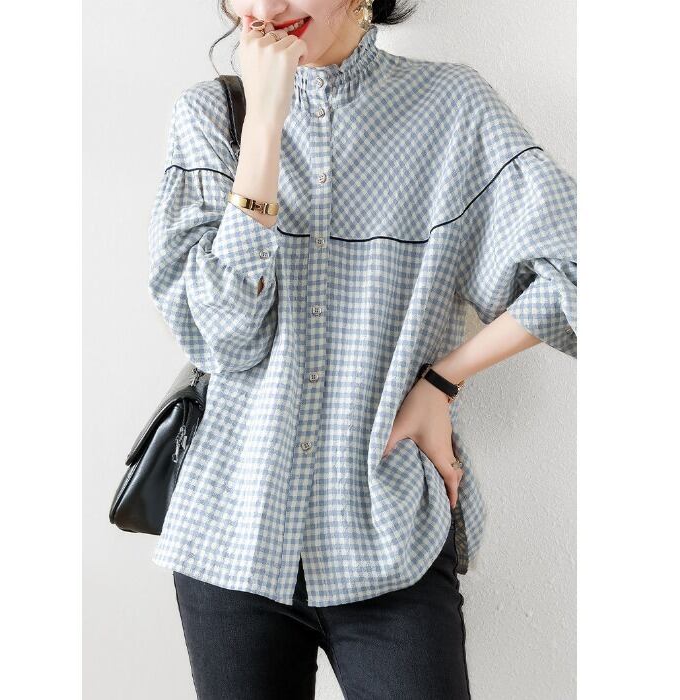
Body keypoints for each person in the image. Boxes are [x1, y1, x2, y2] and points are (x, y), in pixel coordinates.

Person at [146, 1, 577, 697]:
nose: (265, 9)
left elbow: (583, 270)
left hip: (387, 537)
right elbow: (222, 334)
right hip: (230, 538)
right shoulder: (210, 117)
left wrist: (444, 379)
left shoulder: (452, 108)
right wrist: (264, 125)